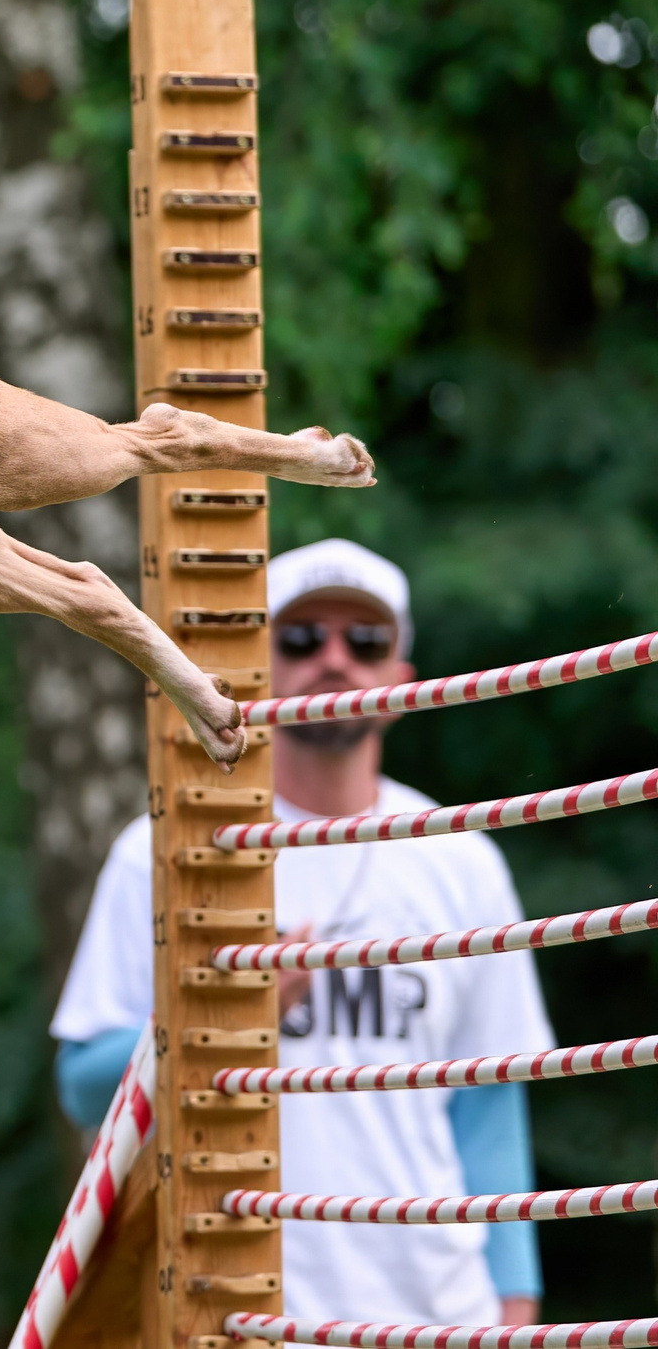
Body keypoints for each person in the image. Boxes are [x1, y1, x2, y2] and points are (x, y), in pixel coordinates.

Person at [50, 539, 553, 1329]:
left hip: (438, 1314)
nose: (333, 657)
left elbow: (490, 1108)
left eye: (364, 641)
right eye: (298, 637)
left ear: (401, 680)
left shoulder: (464, 857)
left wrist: (513, 1312)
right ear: (256, 668)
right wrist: (221, 1016)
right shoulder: (162, 848)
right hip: (238, 1312)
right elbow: (82, 1081)